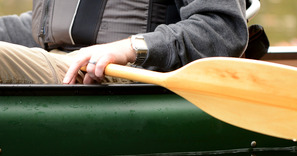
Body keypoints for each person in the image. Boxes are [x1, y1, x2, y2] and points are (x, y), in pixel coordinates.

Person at [0, 0, 249, 84]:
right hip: (61, 60)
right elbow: (53, 30)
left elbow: (223, 28)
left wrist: (129, 48)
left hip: (126, 72)